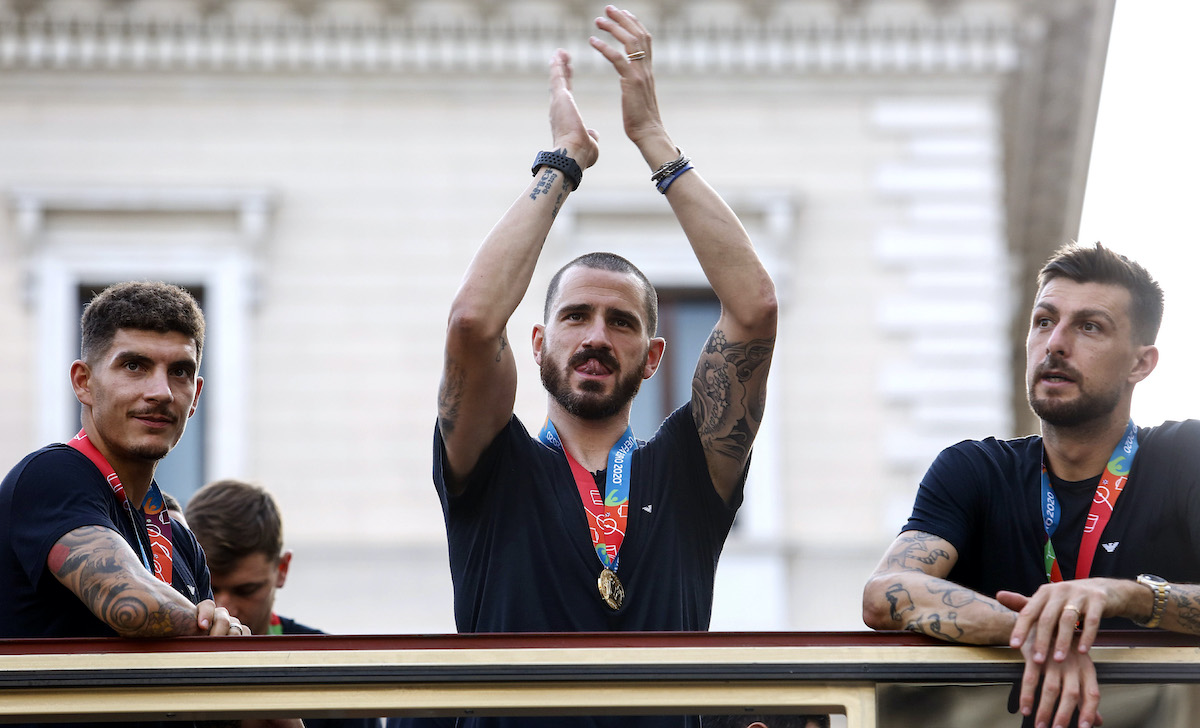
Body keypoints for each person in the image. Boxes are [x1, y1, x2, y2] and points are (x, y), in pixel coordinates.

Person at [404, 5, 776, 728]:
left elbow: (754, 309)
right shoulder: (494, 462)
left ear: (654, 356)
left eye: (622, 322)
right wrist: (563, 162)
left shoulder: (688, 468)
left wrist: (653, 138)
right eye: (575, 317)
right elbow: (472, 323)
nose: (597, 336)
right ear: (539, 342)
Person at [863, 243, 1200, 728]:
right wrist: (1043, 635)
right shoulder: (975, 468)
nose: (1055, 343)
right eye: (1044, 321)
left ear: (1140, 364)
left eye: (1090, 326)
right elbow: (884, 593)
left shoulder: (1185, 456)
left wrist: (1127, 596)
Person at [0, 281, 279, 728]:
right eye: (134, 366)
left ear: (196, 396)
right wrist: (217, 632)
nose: (161, 391)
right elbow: (129, 602)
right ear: (84, 382)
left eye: (180, 372)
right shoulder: (52, 475)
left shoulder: (179, 540)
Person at [187, 479, 381, 728]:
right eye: (209, 589)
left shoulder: (340, 675)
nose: (225, 609)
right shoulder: (149, 667)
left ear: (282, 569)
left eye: (246, 590)